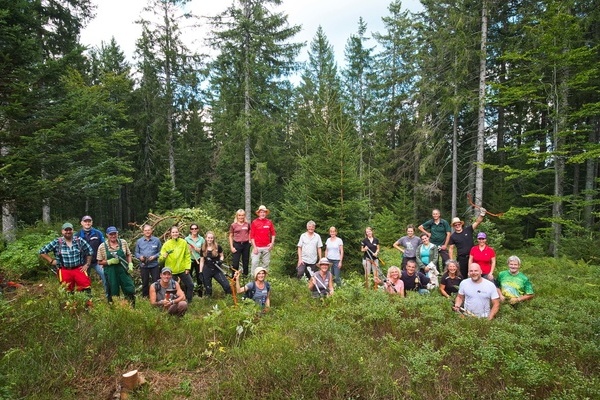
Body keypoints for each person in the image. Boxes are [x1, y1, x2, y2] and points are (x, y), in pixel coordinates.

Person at [39, 222, 94, 295]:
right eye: (66, 230)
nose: (68, 232)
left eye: (70, 230)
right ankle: (70, 306)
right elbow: (42, 251)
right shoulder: (57, 242)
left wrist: (87, 264)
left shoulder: (79, 240)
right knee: (67, 292)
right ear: (62, 231)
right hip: (64, 270)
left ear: (72, 230)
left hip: (79, 269)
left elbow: (90, 251)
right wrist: (51, 261)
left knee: (86, 288)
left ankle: (87, 305)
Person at [96, 226, 136, 306]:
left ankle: (131, 308)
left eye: (114, 234)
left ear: (117, 234)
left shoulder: (123, 242)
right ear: (107, 235)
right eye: (111, 234)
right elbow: (99, 262)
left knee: (129, 289)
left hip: (124, 270)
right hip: (111, 273)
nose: (113, 236)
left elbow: (128, 254)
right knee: (113, 292)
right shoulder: (102, 246)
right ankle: (114, 310)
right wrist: (109, 262)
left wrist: (130, 263)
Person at [159, 225, 194, 303]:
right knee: (171, 288)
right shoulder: (166, 244)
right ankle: (172, 302)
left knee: (190, 285)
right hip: (171, 271)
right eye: (173, 232)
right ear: (170, 233)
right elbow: (160, 258)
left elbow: (187, 255)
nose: (175, 234)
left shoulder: (183, 242)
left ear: (179, 233)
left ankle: (189, 301)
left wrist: (187, 267)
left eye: (176, 232)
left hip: (182, 269)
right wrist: (163, 257)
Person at [448, 209, 486, 278]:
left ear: (461, 224)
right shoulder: (453, 236)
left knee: (476, 273)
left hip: (474, 256)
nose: (457, 226)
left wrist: (482, 214)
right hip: (462, 259)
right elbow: (451, 249)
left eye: (458, 224)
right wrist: (452, 261)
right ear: (453, 226)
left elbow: (477, 222)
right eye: (455, 225)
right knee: (462, 275)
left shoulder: (468, 230)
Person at [76, 215, 108, 297]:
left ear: (92, 222)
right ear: (82, 223)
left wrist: (104, 259)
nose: (87, 223)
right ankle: (86, 297)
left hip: (97, 261)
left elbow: (104, 246)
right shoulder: (77, 235)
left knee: (105, 274)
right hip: (83, 262)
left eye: (89, 221)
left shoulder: (98, 233)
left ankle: (109, 295)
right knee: (83, 279)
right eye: (85, 221)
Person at [200, 231, 232, 297]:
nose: (210, 239)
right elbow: (202, 261)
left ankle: (229, 297)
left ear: (213, 239)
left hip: (216, 268)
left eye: (211, 238)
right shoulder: (203, 248)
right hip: (207, 269)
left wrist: (220, 261)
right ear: (206, 238)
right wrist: (200, 272)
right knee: (208, 288)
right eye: (208, 238)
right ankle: (208, 300)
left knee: (226, 285)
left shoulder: (218, 247)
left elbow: (222, 255)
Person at [134, 224, 162, 298]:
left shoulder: (157, 240)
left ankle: (157, 296)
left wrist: (154, 256)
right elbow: (136, 252)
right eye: (145, 230)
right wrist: (140, 257)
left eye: (149, 230)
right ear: (143, 232)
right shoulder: (139, 241)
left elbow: (161, 252)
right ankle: (145, 297)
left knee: (156, 281)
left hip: (154, 265)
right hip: (144, 265)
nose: (147, 232)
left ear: (151, 230)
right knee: (145, 282)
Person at [250, 205, 276, 276]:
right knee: (255, 262)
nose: (263, 214)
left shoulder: (269, 222)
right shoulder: (254, 222)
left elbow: (273, 233)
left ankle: (263, 278)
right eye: (261, 212)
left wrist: (272, 243)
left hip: (266, 247)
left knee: (266, 263)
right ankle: (253, 277)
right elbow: (251, 236)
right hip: (257, 247)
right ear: (258, 213)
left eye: (264, 212)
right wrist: (254, 247)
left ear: (266, 213)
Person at [229, 209, 251, 277]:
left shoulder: (247, 224)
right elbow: (230, 236)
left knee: (246, 261)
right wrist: (231, 247)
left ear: (244, 216)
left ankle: (245, 275)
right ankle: (234, 277)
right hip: (237, 244)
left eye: (242, 215)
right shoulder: (233, 225)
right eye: (239, 215)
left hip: (246, 244)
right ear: (237, 216)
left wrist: (250, 240)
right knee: (235, 263)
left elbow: (250, 232)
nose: (241, 217)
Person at [185, 223, 204, 296]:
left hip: (199, 260)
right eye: (192, 229)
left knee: (199, 277)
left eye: (195, 228)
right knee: (188, 278)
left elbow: (204, 250)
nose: (194, 230)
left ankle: (200, 295)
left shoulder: (201, 239)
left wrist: (198, 249)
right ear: (190, 230)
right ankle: (188, 294)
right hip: (189, 260)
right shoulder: (186, 239)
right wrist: (188, 249)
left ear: (198, 229)